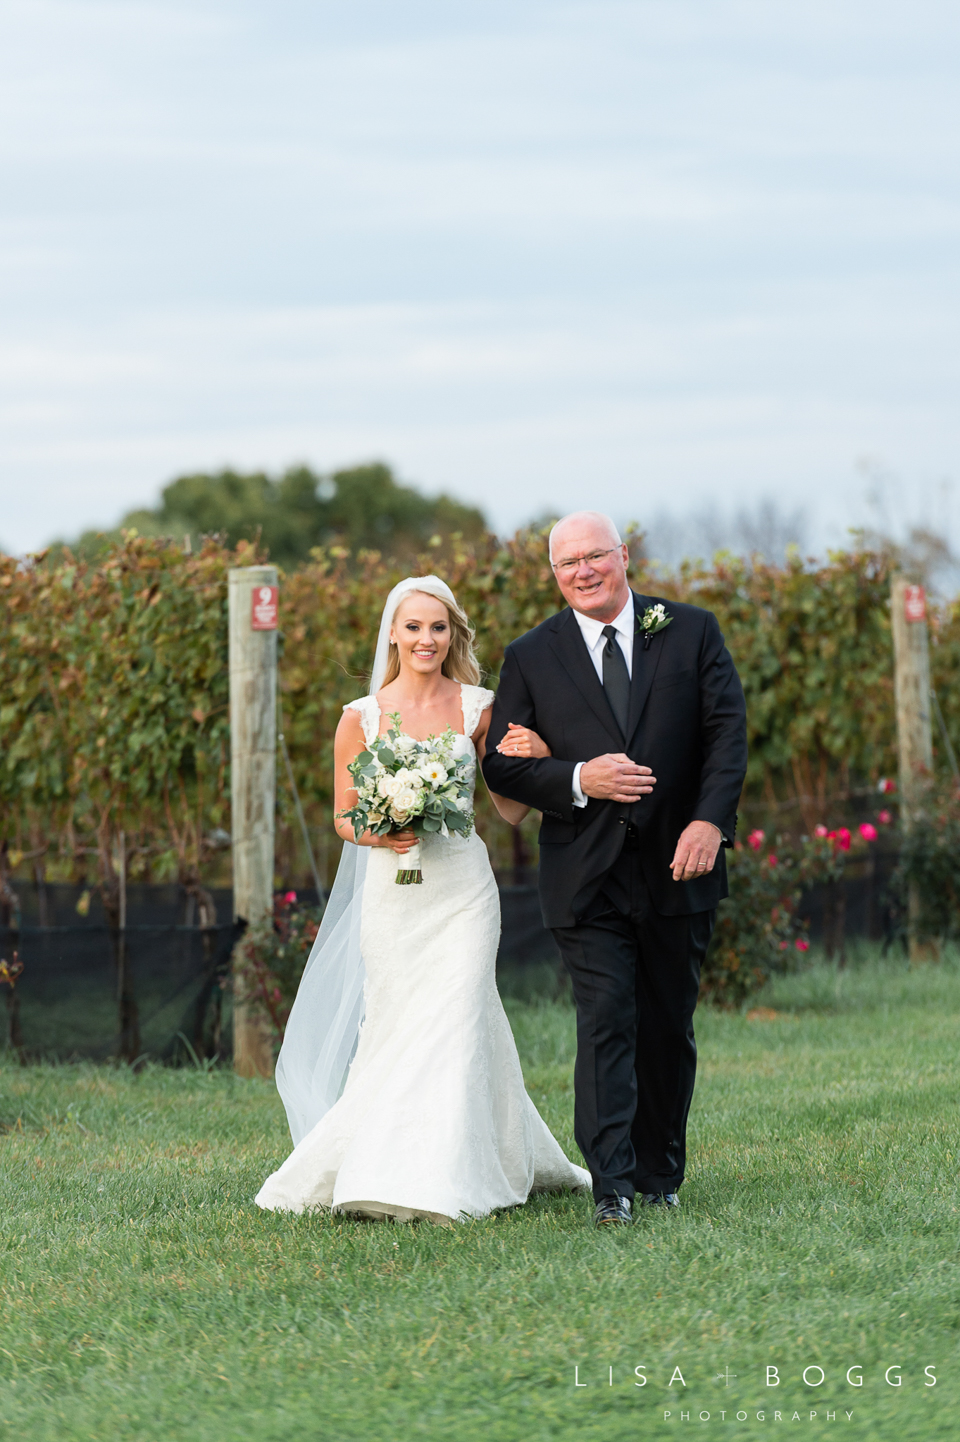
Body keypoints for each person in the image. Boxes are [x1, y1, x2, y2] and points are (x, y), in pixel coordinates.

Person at [256, 575, 590, 1223]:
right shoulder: (362, 718)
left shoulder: (479, 707)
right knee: (399, 1024)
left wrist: (544, 753)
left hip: (463, 891)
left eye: (437, 627)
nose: (426, 639)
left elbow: (510, 809)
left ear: (452, 633)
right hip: (394, 894)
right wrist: (381, 829)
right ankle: (386, 1163)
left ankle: (452, 1175)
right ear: (393, 634)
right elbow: (343, 819)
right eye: (413, 627)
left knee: (461, 1011)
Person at [482, 512, 747, 1227]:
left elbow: (727, 734)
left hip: (678, 863)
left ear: (623, 556)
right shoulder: (532, 655)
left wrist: (708, 822)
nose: (583, 572)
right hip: (585, 872)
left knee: (667, 1024)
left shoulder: (689, 630)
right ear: (554, 574)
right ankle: (613, 1188)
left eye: (595, 556)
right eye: (567, 563)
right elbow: (500, 764)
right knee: (606, 1020)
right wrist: (576, 778)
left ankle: (661, 1172)